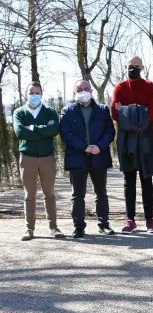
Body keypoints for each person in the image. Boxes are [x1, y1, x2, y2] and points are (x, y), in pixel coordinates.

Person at [59, 80, 116, 237]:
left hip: (99, 156)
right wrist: (83, 147)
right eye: (79, 89)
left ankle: (103, 224)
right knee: (77, 194)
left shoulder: (103, 110)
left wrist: (99, 146)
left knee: (101, 192)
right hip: (77, 158)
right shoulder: (67, 111)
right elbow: (66, 134)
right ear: (74, 93)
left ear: (91, 91)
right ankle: (79, 227)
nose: (83, 92)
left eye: (86, 89)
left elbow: (110, 131)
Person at [111, 56, 153, 234]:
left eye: (137, 66)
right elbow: (115, 114)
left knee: (147, 180)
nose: (134, 69)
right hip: (127, 140)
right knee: (129, 181)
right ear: (126, 67)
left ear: (143, 67)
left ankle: (149, 220)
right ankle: (130, 220)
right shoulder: (120, 87)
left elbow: (152, 112)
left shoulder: (150, 85)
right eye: (131, 66)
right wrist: (138, 110)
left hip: (145, 138)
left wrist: (126, 110)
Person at [13, 82, 65, 241]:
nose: (34, 95)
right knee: (30, 194)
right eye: (31, 92)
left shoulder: (49, 111)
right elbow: (20, 132)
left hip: (47, 158)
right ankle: (29, 229)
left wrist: (33, 128)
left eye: (37, 92)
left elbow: (54, 130)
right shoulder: (19, 112)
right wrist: (43, 131)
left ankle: (54, 227)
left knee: (49, 193)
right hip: (27, 157)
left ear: (42, 94)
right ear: (26, 94)